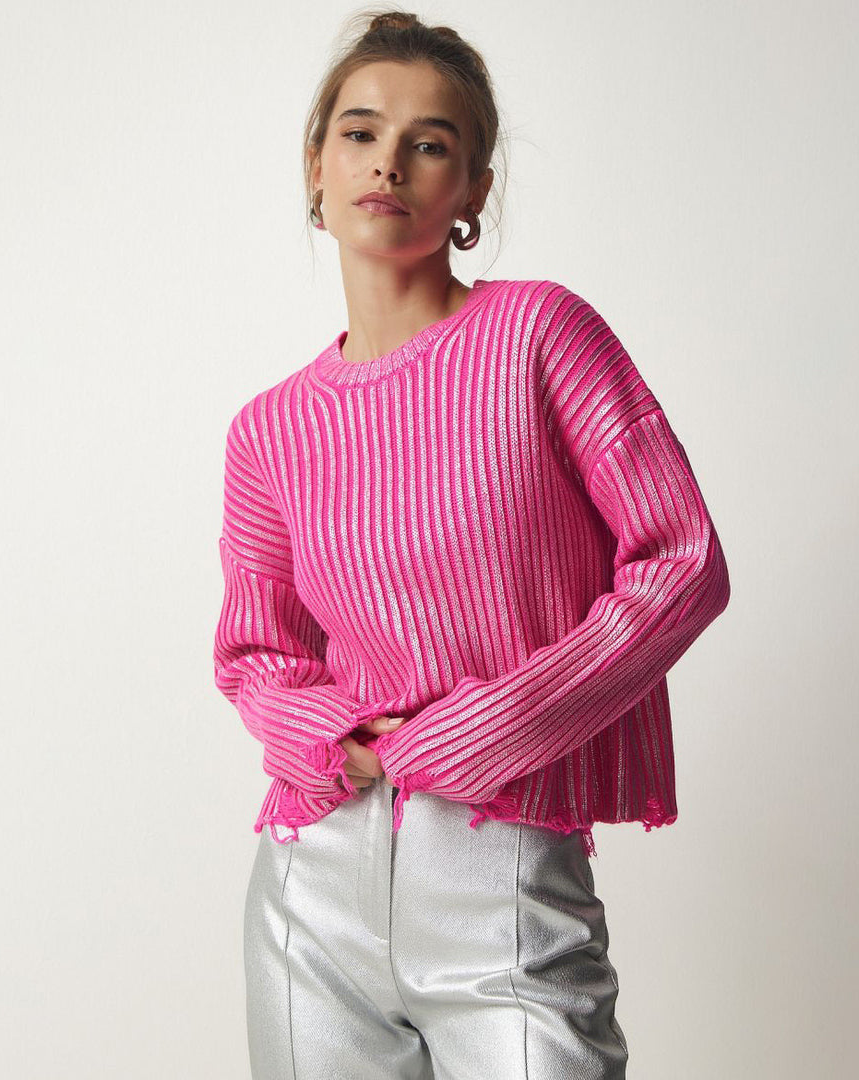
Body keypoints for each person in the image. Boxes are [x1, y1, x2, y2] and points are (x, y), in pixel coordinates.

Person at [212, 10, 730, 1079]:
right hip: (314, 884)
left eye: (430, 143)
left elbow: (680, 561)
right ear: (316, 166)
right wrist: (336, 740)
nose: (388, 163)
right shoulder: (269, 428)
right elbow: (257, 651)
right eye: (360, 133)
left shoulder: (540, 334)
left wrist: (496, 724)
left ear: (472, 191)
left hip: (502, 865)